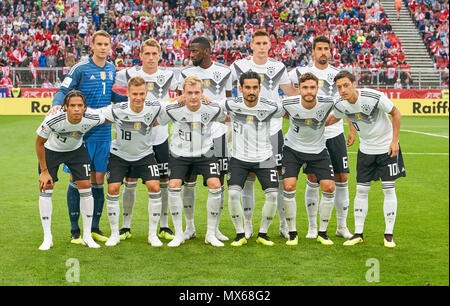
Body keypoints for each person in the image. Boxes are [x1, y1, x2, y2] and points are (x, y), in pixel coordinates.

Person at [50, 30, 128, 245]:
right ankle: (75, 230)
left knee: (98, 181)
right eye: (99, 44)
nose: (103, 48)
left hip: (103, 134)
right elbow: (64, 89)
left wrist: (129, 99)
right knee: (77, 180)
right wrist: (58, 103)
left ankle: (94, 227)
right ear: (91, 45)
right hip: (81, 134)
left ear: (110, 46)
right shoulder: (80, 68)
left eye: (106, 44)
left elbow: (109, 94)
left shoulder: (112, 68)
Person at [230, 29, 298, 240]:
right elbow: (227, 90)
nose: (261, 46)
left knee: (277, 180)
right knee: (248, 179)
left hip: (273, 128)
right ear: (251, 45)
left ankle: (283, 224)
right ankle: (248, 224)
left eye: (265, 43)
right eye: (257, 43)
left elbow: (290, 93)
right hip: (247, 129)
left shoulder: (278, 67)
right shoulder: (239, 66)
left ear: (270, 45)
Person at [326, 70, 405, 248]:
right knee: (361, 191)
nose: (343, 89)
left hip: (386, 148)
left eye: (346, 85)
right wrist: (314, 121)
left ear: (354, 84)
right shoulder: (340, 104)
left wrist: (394, 141)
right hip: (366, 149)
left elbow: (396, 113)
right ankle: (358, 234)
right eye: (339, 87)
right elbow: (334, 118)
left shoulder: (374, 96)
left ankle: (389, 235)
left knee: (388, 189)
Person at [288, 36, 354, 240]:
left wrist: (351, 128)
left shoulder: (337, 74)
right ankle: (312, 227)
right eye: (319, 49)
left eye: (326, 48)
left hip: (335, 133)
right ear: (313, 51)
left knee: (341, 178)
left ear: (330, 51)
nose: (323, 52)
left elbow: (347, 101)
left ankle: (342, 226)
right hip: (312, 136)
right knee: (313, 179)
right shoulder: (299, 72)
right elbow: (286, 88)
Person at [115, 38, 178, 242]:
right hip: (134, 138)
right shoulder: (127, 74)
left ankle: (165, 225)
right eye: (147, 54)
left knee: (163, 182)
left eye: (154, 54)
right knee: (130, 182)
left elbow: (182, 93)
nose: (151, 58)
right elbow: (107, 83)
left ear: (160, 55)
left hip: (160, 138)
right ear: (140, 55)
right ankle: (125, 226)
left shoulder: (169, 75)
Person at [156, 75, 227, 247]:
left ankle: (211, 233)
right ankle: (181, 232)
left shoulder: (212, 109)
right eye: (189, 93)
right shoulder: (173, 109)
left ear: (202, 93)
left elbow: (225, 117)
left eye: (197, 92)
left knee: (215, 185)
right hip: (180, 155)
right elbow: (158, 121)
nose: (193, 96)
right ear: (183, 93)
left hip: (204, 154)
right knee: (174, 186)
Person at [178, 36, 233, 242]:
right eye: (190, 51)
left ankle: (215, 229)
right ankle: (190, 226)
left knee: (218, 182)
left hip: (217, 134)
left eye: (194, 51)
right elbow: (179, 101)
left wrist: (229, 129)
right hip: (192, 134)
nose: (191, 55)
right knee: (188, 181)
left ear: (207, 51)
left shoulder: (225, 71)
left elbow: (228, 101)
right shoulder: (185, 72)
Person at [35, 90, 105, 250]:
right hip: (51, 151)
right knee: (46, 187)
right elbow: (39, 143)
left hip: (76, 151)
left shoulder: (92, 117)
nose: (76, 109)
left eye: (80, 105)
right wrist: (44, 171)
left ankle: (87, 236)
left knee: (86, 187)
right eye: (72, 105)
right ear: (65, 107)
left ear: (85, 108)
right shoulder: (53, 119)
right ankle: (47, 237)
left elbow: (108, 116)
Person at [100, 77, 164, 247]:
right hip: (119, 155)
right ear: (127, 93)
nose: (138, 97)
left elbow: (176, 106)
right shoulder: (117, 109)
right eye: (134, 94)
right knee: (113, 189)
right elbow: (95, 114)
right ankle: (115, 234)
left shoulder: (155, 108)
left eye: (141, 94)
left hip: (144, 155)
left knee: (155, 187)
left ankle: (152, 234)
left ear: (146, 93)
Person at [224, 71, 285, 247]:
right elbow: (211, 107)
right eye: (248, 87)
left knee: (273, 194)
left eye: (255, 87)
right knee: (234, 193)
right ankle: (240, 233)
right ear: (240, 88)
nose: (251, 91)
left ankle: (263, 233)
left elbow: (290, 112)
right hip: (238, 157)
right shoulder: (231, 104)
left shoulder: (271, 106)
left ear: (260, 88)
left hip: (265, 156)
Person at [282, 72, 337, 246]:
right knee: (289, 186)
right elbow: (274, 112)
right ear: (299, 88)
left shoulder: (327, 102)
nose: (309, 91)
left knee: (329, 187)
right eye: (305, 87)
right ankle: (292, 233)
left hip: (318, 150)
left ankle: (322, 232)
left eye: (312, 87)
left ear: (317, 88)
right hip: (292, 150)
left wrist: (349, 129)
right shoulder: (288, 103)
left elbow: (346, 109)